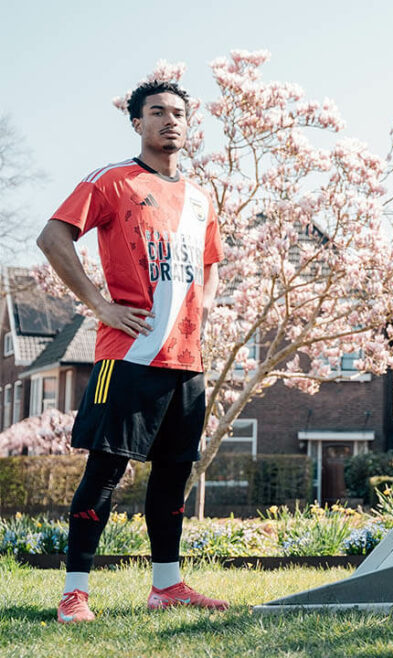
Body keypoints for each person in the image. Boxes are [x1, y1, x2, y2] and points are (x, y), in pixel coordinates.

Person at [37, 80, 228, 623]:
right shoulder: (112, 181)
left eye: (179, 114)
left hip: (185, 363)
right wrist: (100, 304)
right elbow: (53, 237)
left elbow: (211, 261)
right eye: (157, 113)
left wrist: (205, 306)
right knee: (105, 470)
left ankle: (166, 586)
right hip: (127, 357)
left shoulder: (200, 195)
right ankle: (75, 592)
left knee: (174, 474)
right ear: (136, 123)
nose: (170, 121)